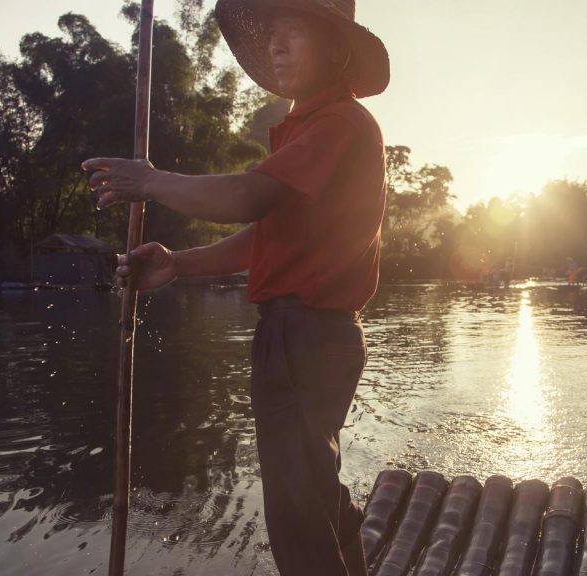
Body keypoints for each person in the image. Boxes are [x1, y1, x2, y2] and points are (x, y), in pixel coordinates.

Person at [82, 1, 389, 574]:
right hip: (307, 336)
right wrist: (179, 264)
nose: (276, 46)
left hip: (304, 336)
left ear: (336, 49)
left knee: (297, 517)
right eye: (273, 34)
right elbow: (265, 239)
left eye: (293, 32)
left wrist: (150, 181)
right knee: (317, 494)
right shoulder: (309, 131)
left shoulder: (338, 123)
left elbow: (247, 197)